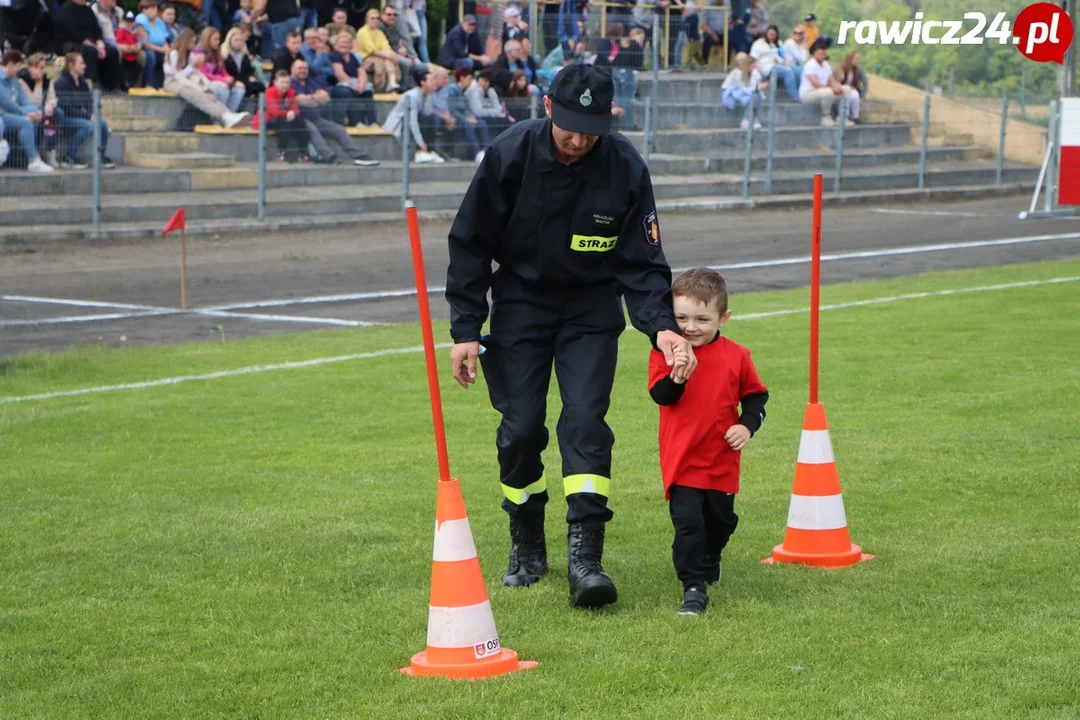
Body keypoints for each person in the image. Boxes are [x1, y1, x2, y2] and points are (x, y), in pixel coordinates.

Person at [445, 63, 697, 609]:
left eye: (591, 129)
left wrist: (663, 329)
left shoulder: (626, 167)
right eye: (569, 127)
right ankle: (527, 542)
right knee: (521, 429)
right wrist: (467, 327)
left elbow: (644, 263)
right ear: (546, 107)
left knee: (585, 423)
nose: (579, 140)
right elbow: (469, 242)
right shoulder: (510, 155)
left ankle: (586, 555)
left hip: (589, 309)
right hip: (520, 305)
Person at [648, 268, 768, 616]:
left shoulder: (738, 355)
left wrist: (746, 426)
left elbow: (757, 397)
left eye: (702, 318)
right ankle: (694, 588)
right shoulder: (665, 351)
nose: (690, 327)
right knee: (689, 526)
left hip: (720, 461)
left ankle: (711, 557)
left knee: (721, 522)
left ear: (723, 317)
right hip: (682, 461)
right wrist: (677, 377)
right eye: (681, 317)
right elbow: (661, 395)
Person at [290, 58, 379, 165]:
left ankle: (359, 155)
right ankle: (328, 156)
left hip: (315, 118)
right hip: (300, 119)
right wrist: (315, 98)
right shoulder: (291, 83)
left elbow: (325, 97)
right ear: (292, 69)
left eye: (305, 68)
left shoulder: (309, 81)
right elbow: (300, 101)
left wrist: (310, 98)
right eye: (299, 68)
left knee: (339, 130)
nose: (303, 71)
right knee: (312, 130)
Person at [164, 28, 251, 128]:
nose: (193, 44)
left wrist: (194, 66)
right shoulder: (174, 53)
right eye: (191, 42)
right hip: (173, 82)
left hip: (188, 80)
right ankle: (223, 116)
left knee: (209, 94)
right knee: (198, 95)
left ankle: (228, 114)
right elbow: (178, 75)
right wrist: (193, 65)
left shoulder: (191, 54)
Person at [53, 51, 118, 169]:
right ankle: (69, 157)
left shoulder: (83, 83)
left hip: (79, 117)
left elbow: (89, 103)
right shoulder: (61, 83)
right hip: (65, 118)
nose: (85, 66)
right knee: (87, 125)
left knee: (102, 123)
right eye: (81, 63)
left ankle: (100, 157)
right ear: (71, 65)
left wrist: (93, 115)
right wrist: (89, 117)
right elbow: (67, 108)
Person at [0, 49, 54, 173]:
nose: (19, 70)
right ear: (11, 65)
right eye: (18, 66)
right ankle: (33, 160)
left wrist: (35, 111)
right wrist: (25, 113)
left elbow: (23, 100)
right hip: (3, 114)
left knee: (32, 113)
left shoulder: (13, 80)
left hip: (12, 113)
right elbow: (6, 102)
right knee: (26, 122)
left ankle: (29, 159)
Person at [798, 38, 857, 127]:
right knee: (828, 92)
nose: (823, 56)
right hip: (808, 93)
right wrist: (832, 89)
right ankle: (825, 117)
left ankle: (842, 117)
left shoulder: (826, 65)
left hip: (823, 91)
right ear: (815, 53)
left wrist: (838, 87)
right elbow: (815, 84)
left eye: (824, 53)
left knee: (847, 89)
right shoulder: (810, 65)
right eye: (821, 54)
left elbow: (832, 80)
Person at [256, 69, 310, 162]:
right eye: (282, 82)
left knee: (301, 121)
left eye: (287, 82)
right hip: (268, 119)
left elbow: (295, 108)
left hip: (283, 118)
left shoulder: (290, 92)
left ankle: (303, 152)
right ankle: (281, 153)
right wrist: (288, 113)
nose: (285, 85)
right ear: (275, 82)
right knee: (285, 121)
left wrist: (293, 112)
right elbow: (274, 111)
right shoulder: (269, 92)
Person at [722, 52, 766, 129]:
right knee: (752, 97)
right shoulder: (737, 73)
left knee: (757, 96)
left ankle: (755, 119)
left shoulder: (755, 73)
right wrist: (757, 88)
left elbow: (753, 86)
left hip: (747, 92)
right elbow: (735, 87)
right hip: (735, 93)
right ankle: (746, 120)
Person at [135, 0, 170, 89]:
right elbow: (145, 43)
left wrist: (167, 50)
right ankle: (148, 83)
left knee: (171, 55)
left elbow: (164, 41)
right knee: (150, 55)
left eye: (156, 8)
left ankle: (166, 84)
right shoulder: (141, 19)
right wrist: (163, 50)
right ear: (144, 9)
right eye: (152, 8)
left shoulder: (159, 22)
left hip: (159, 49)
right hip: (145, 48)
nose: (155, 10)